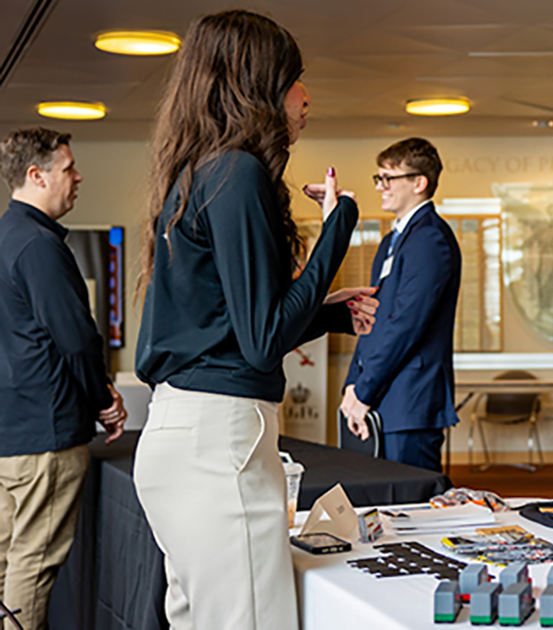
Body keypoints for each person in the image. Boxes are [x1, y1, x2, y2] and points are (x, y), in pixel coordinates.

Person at [132, 11, 376, 629]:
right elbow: (263, 340)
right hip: (220, 444)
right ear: (259, 84)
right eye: (294, 80)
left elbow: (234, 327)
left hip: (179, 436)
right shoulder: (237, 172)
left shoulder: (193, 175)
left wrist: (325, 315)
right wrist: (338, 225)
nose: (305, 97)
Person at [0, 127, 127, 630]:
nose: (79, 177)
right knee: (31, 566)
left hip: (10, 436)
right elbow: (76, 338)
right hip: (45, 440)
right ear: (36, 175)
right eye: (69, 168)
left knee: (8, 563)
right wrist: (103, 399)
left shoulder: (6, 236)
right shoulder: (38, 245)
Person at [340, 138, 462, 472]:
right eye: (378, 178)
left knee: (412, 514)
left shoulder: (430, 239)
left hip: (410, 402)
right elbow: (373, 319)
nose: (380, 187)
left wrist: (364, 391)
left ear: (419, 183)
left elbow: (406, 324)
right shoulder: (392, 241)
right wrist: (353, 385)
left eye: (388, 178)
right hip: (382, 397)